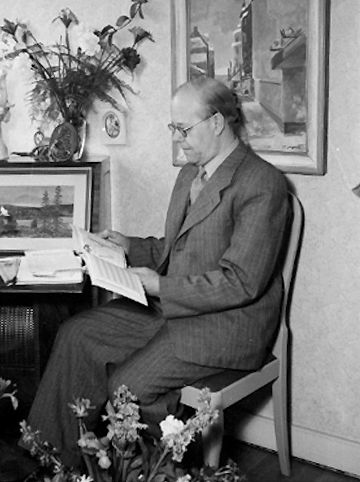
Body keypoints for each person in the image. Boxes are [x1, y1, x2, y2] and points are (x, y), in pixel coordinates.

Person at [25, 77, 289, 466]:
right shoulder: (191, 173)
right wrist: (127, 246)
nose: (177, 139)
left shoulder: (262, 184)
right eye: (173, 128)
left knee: (128, 386)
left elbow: (241, 282)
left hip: (226, 325)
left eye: (184, 129)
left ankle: (158, 471)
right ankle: (50, 460)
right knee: (76, 334)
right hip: (175, 308)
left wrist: (160, 286)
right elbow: (178, 247)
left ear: (217, 122)